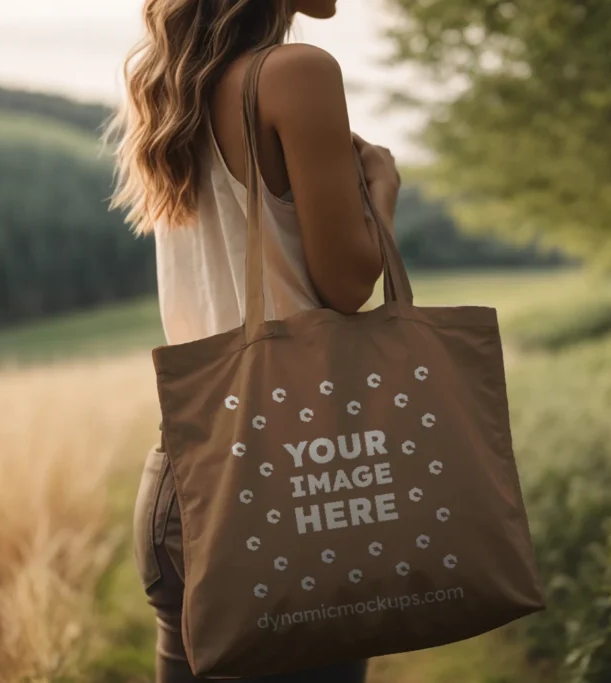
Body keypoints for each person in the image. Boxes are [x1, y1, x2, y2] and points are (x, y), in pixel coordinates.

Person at [107, 1, 402, 681]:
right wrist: (380, 193)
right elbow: (349, 283)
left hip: (183, 482)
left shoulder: (170, 85)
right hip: (297, 475)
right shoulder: (296, 73)